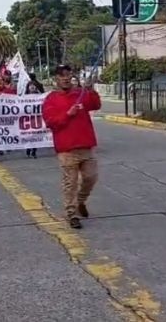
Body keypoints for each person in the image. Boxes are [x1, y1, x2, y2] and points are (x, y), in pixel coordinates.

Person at [41, 64, 101, 230]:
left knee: (91, 177)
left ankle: (81, 200)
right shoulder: (51, 99)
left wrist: (90, 90)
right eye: (62, 76)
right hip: (66, 149)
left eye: (68, 75)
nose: (66, 78)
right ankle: (71, 214)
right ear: (56, 79)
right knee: (70, 183)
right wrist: (68, 114)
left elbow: (96, 105)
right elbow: (51, 122)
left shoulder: (79, 94)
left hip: (86, 145)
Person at [24, 80, 42, 158]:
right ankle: (28, 149)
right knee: (29, 135)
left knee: (35, 135)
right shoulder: (23, 97)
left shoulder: (40, 96)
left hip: (36, 119)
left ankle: (34, 151)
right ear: (28, 87)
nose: (32, 87)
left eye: (33, 85)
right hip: (27, 119)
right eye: (30, 85)